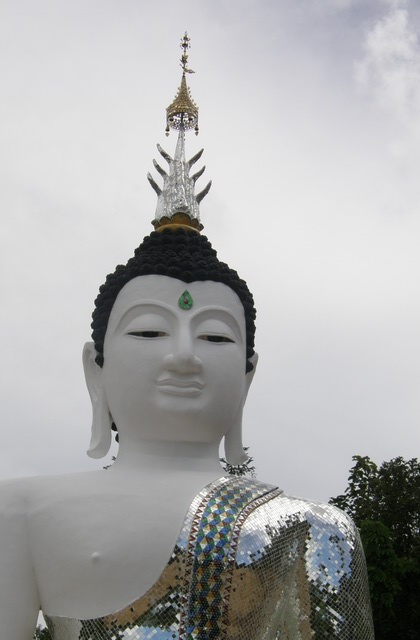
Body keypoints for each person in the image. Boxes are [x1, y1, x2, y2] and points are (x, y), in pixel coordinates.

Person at [0, 36, 374, 640]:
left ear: (249, 375)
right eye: (149, 329)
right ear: (96, 370)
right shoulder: (18, 511)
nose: (182, 355)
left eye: (216, 338)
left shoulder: (310, 530)